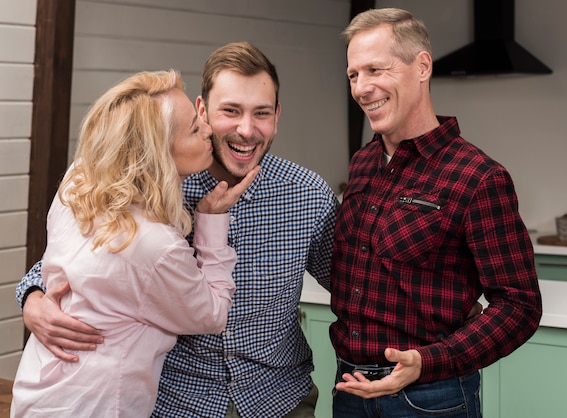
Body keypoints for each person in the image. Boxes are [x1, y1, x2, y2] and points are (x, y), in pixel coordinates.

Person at [15, 43, 339, 417]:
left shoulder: (309, 195)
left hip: (278, 400)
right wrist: (33, 298)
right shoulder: (148, 187)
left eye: (261, 113)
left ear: (277, 116)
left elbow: (353, 288)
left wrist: (416, 354)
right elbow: (75, 261)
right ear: (201, 112)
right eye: (230, 111)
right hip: (175, 402)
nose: (247, 130)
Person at [329, 8, 542, 418]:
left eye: (375, 69)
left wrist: (430, 361)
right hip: (350, 390)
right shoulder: (362, 163)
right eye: (354, 75)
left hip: (430, 398)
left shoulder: (478, 176)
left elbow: (520, 305)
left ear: (421, 66)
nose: (362, 87)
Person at [11, 69, 260, 417]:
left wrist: (32, 296)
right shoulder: (153, 244)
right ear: (158, 151)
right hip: (99, 406)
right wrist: (213, 223)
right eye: (194, 128)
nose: (209, 130)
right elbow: (212, 314)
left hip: (38, 389)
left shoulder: (79, 180)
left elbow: (64, 267)